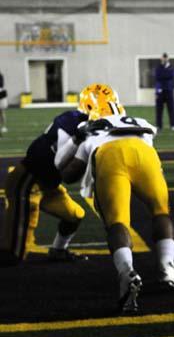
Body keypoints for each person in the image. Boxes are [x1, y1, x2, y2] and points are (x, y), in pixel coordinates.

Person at [55, 92, 174, 314]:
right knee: (161, 212)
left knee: (117, 222)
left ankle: (127, 272)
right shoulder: (141, 121)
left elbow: (69, 174)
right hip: (144, 153)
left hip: (110, 155)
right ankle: (168, 268)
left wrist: (75, 147)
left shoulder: (92, 129)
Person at [0, 85, 104, 265]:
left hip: (48, 185)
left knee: (74, 215)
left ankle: (58, 250)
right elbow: (61, 166)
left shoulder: (83, 124)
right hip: (27, 180)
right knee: (14, 253)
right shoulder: (71, 124)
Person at [155, 53, 174, 131]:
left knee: (171, 108)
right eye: (163, 57)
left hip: (169, 90)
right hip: (160, 91)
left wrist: (163, 75)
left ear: (168, 58)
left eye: (166, 57)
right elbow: (157, 76)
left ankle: (173, 125)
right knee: (159, 110)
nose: (164, 59)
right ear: (161, 58)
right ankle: (159, 125)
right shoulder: (158, 67)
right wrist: (165, 75)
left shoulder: (171, 68)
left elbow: (171, 75)